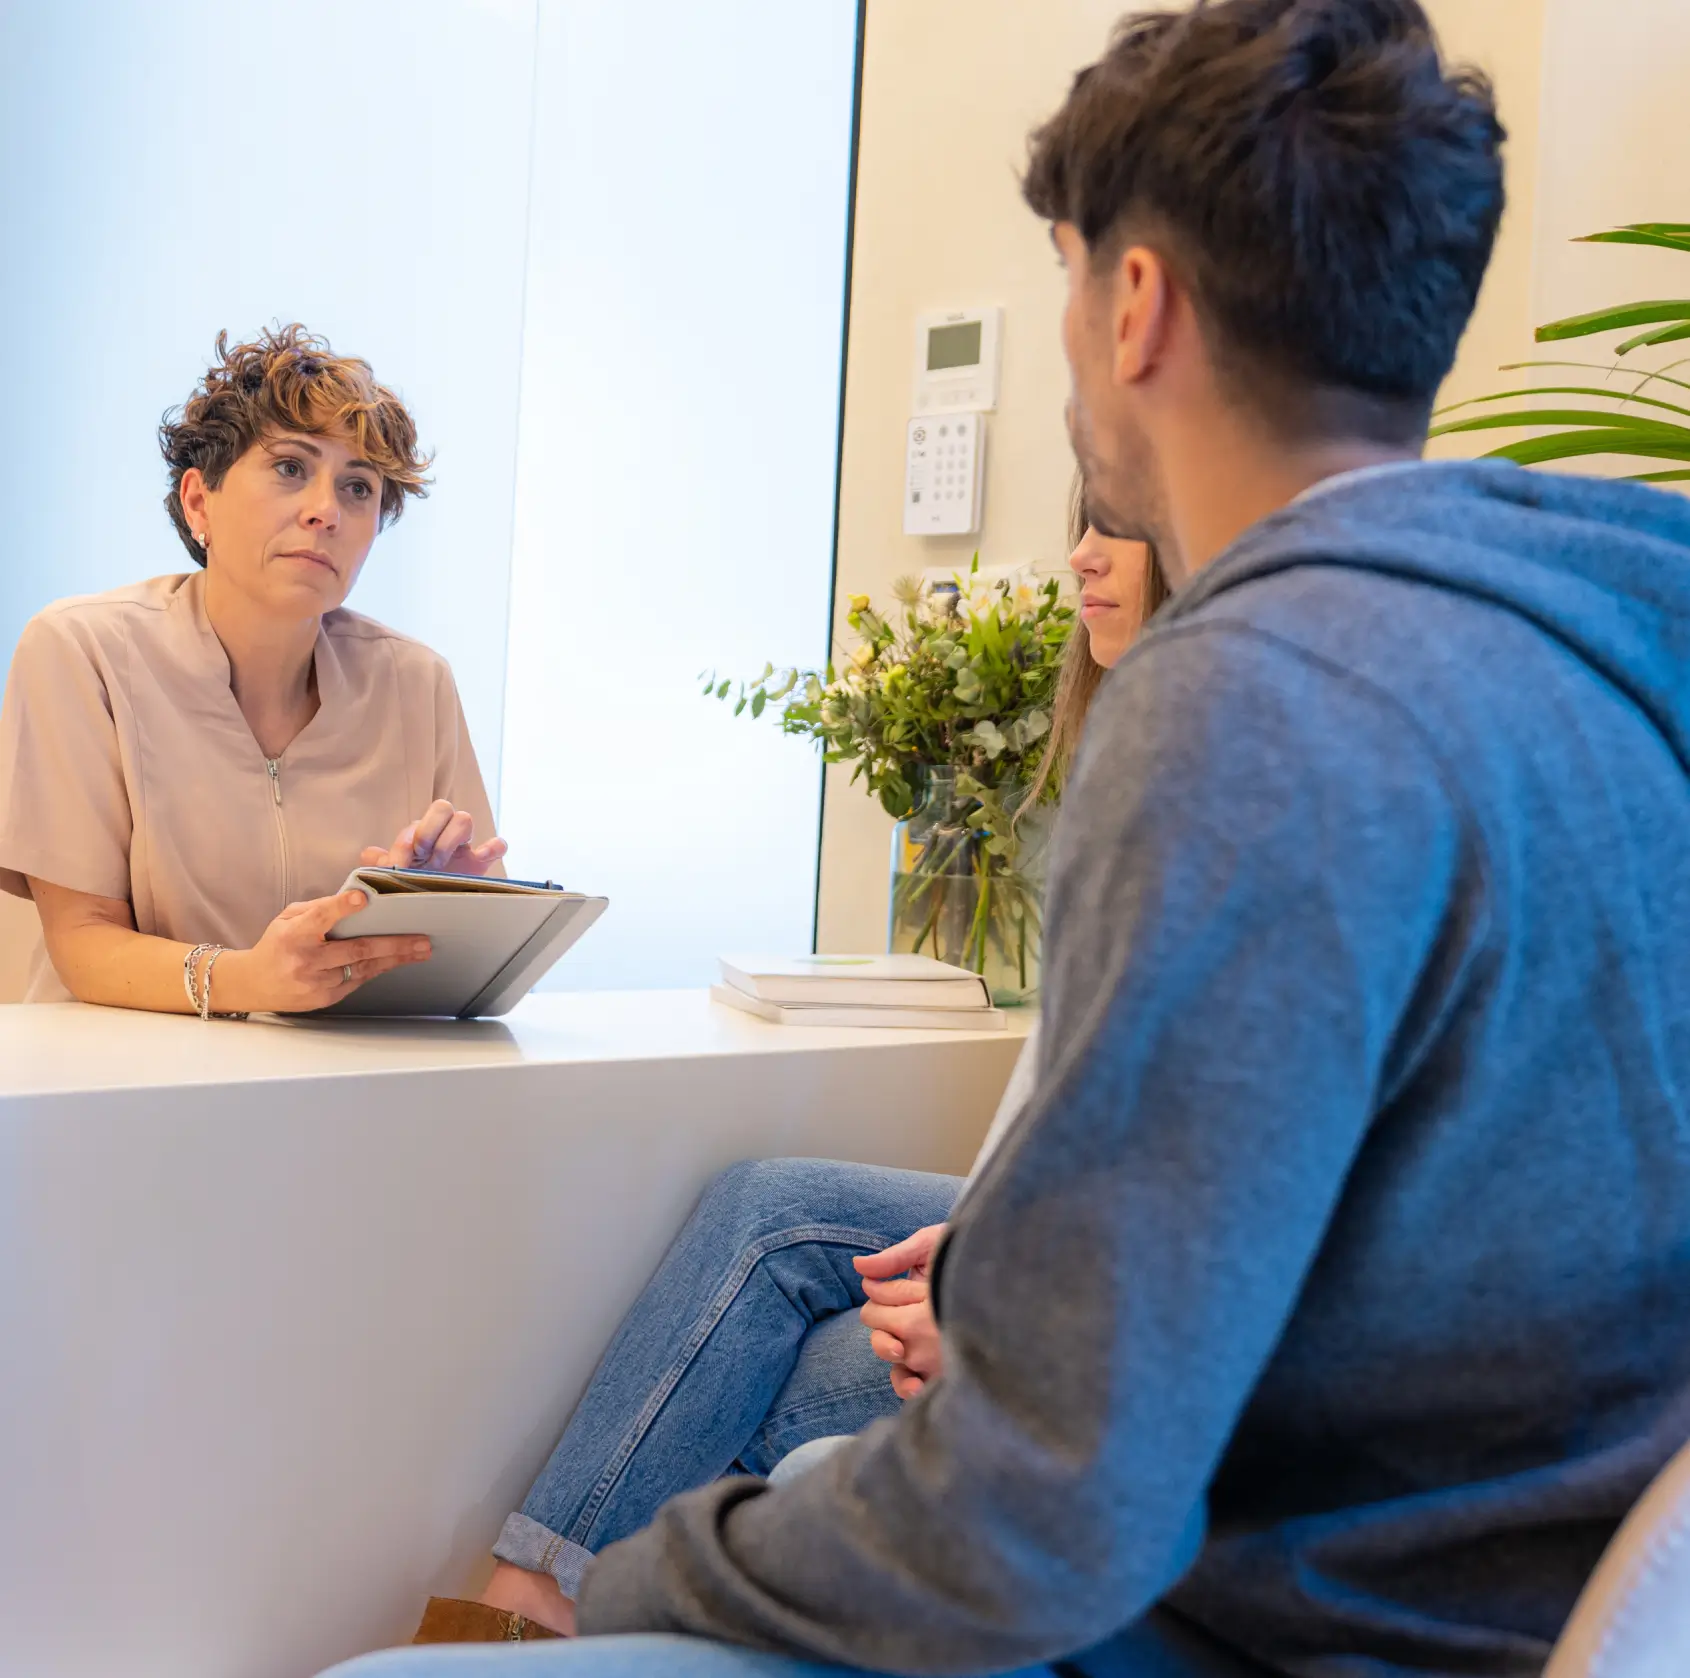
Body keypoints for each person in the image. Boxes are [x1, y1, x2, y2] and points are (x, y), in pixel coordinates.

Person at [323, 1, 1690, 1675]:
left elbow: (1036, 1520)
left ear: (1133, 301)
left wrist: (646, 1574)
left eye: (1061, 272)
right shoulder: (1603, 647)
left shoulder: (1254, 699)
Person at [407, 498, 1166, 1646]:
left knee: (778, 1358)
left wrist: (1009, 1301)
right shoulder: (1140, 748)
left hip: (1133, 1270)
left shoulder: (1237, 777)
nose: (1080, 556)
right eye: (1082, 521)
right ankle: (540, 1609)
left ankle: (530, 1614)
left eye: (1119, 526)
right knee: (766, 1211)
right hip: (1089, 1232)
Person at [0, 324, 506, 1013]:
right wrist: (250, 982)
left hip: (334, 1084)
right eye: (291, 468)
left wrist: (446, 911)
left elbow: (472, 980)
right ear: (199, 501)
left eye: (358, 488)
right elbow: (83, 942)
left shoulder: (416, 683)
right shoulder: (83, 651)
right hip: (120, 1084)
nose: (325, 511)